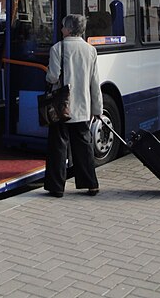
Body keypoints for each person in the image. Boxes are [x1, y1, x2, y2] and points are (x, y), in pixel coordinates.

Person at [44, 14, 103, 198]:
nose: (61, 29)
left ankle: (57, 187)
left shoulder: (57, 48)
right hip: (83, 106)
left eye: (62, 26)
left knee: (58, 146)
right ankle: (90, 184)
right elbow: (95, 82)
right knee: (83, 146)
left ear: (69, 29)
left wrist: (47, 76)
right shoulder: (90, 50)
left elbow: (53, 77)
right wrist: (97, 110)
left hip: (62, 107)